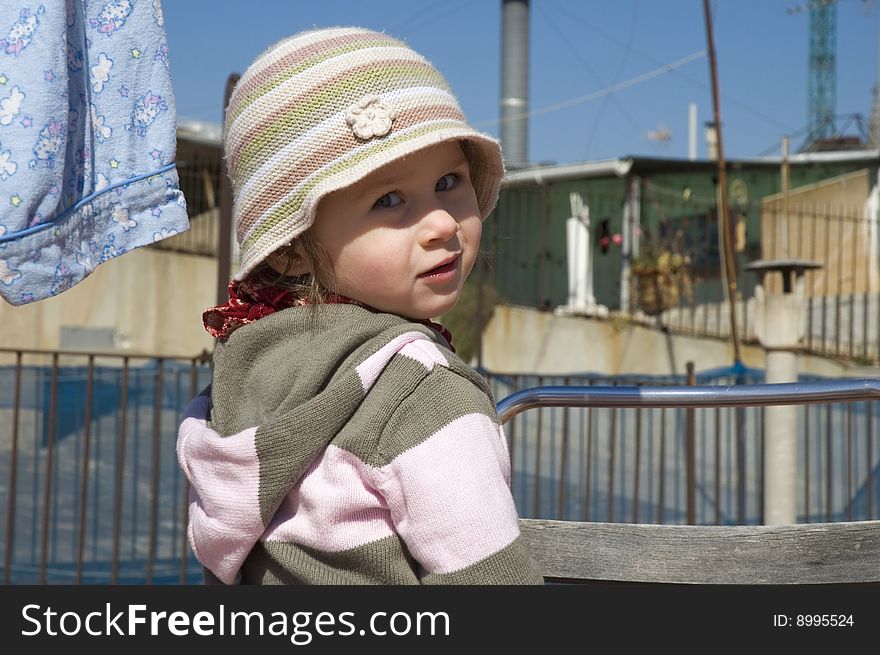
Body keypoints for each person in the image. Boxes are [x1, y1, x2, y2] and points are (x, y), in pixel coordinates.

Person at [176, 26, 543, 585]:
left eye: (450, 181)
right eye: (389, 199)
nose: (443, 223)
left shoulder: (247, 369)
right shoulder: (420, 394)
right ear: (295, 248)